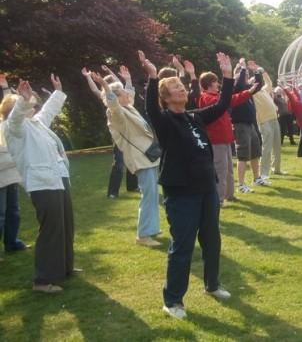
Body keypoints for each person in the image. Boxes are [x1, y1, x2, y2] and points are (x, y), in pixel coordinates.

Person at [141, 50, 234, 320]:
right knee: (182, 246)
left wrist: (227, 75)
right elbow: (150, 108)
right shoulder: (165, 120)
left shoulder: (194, 117)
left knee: (212, 240)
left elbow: (221, 105)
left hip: (206, 189)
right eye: (174, 88)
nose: (180, 89)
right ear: (166, 98)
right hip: (181, 193)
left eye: (181, 86)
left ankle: (212, 285)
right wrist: (152, 77)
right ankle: (172, 301)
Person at [2, 75, 75, 292]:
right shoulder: (13, 128)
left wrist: (58, 92)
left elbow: (49, 111)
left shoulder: (36, 123)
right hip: (42, 184)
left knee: (66, 225)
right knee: (51, 229)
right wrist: (22, 100)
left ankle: (64, 268)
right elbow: (15, 118)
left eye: (31, 102)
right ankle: (43, 280)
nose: (32, 104)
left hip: (58, 178)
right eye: (27, 103)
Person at [88, 70, 162, 247]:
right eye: (123, 93)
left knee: (152, 194)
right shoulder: (115, 114)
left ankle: (150, 228)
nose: (128, 94)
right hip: (139, 158)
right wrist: (105, 86)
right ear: (114, 96)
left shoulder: (128, 107)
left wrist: (127, 78)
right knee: (148, 195)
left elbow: (131, 93)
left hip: (148, 156)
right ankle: (143, 235)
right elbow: (112, 103)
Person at [197, 69, 260, 205]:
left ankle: (229, 195)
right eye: (215, 82)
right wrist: (247, 92)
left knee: (228, 170)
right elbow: (229, 100)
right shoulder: (206, 97)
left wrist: (248, 92)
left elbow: (231, 100)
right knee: (220, 170)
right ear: (209, 84)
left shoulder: (217, 97)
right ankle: (218, 201)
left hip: (225, 139)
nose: (218, 84)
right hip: (216, 140)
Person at [81, 66, 138, 199]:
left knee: (132, 160)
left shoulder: (127, 99)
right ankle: (112, 192)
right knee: (119, 163)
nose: (124, 92)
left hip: (131, 133)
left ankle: (132, 186)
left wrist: (123, 76)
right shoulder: (108, 99)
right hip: (118, 135)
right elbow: (96, 89)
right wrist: (88, 77)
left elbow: (123, 86)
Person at [0, 74, 27, 257]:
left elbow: (9, 102)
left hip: (12, 173)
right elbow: (9, 106)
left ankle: (11, 242)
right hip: (1, 174)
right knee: (0, 215)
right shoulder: (5, 125)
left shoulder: (11, 124)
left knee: (13, 210)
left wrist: (5, 86)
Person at [231, 59, 266, 193]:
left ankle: (256, 178)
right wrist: (243, 68)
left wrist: (256, 72)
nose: (246, 78)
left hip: (250, 124)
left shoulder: (246, 88)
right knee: (243, 155)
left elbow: (258, 85)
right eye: (243, 76)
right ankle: (240, 184)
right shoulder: (235, 87)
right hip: (240, 125)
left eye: (246, 76)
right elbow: (239, 83)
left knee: (255, 152)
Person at [247, 61, 284, 178]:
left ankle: (276, 169)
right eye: (253, 82)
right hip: (264, 122)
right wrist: (254, 73)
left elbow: (269, 82)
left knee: (277, 146)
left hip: (274, 119)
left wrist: (262, 71)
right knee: (267, 147)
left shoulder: (263, 90)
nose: (256, 83)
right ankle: (263, 173)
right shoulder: (252, 93)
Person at [282, 84, 302, 157]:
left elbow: (296, 94)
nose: (291, 91)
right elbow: (290, 95)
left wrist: (292, 86)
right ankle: (301, 153)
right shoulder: (292, 102)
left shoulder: (296, 99)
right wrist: (284, 88)